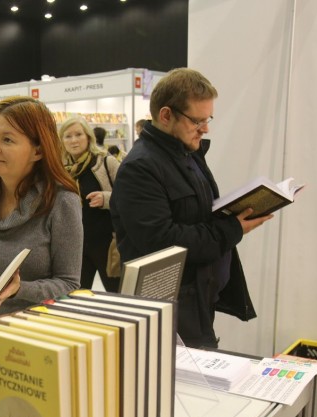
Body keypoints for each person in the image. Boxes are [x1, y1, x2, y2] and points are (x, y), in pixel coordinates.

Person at [110, 68, 271, 348]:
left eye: (208, 119)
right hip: (168, 306)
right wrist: (232, 229)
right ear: (166, 115)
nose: (205, 128)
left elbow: (198, 216)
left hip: (196, 298)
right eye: (197, 120)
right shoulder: (140, 168)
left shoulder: (188, 153)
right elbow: (162, 243)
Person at [0, 96, 82, 322]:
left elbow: (69, 284)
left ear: (38, 151)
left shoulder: (61, 201)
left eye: (7, 140)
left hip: (37, 335)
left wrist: (19, 289)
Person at [59, 115, 120, 292]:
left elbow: (130, 197)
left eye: (78, 134)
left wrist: (106, 198)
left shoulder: (106, 162)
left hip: (107, 243)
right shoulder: (60, 169)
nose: (74, 140)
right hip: (75, 246)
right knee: (75, 297)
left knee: (116, 295)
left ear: (88, 137)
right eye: (68, 136)